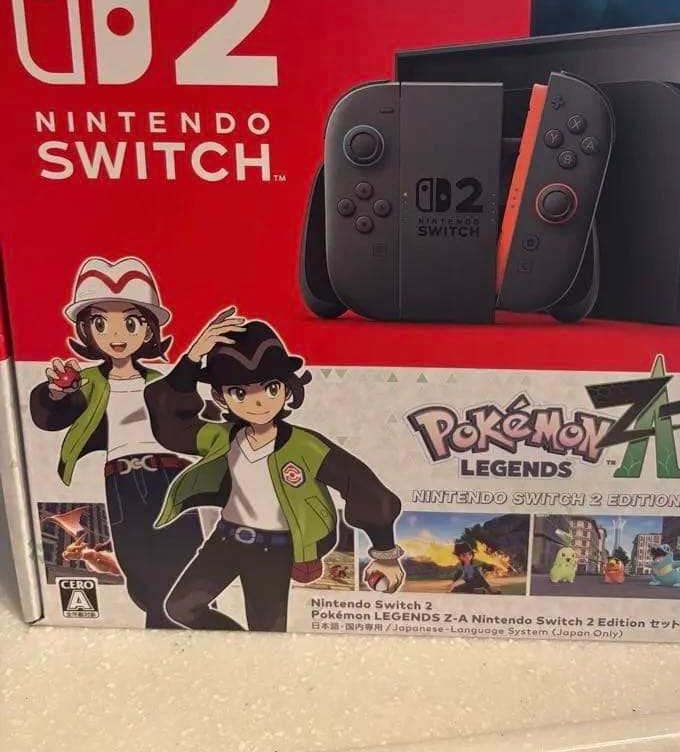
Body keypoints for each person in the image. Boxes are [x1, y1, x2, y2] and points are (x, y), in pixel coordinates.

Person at [145, 313, 405, 631]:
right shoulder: (222, 437)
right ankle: (238, 647)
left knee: (267, 632)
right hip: (225, 539)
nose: (257, 402)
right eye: (240, 392)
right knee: (181, 608)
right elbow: (172, 423)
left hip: (274, 549)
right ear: (221, 396)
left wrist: (385, 553)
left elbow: (362, 486)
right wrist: (192, 358)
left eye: (270, 388)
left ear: (286, 387)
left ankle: (256, 653)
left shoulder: (304, 446)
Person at [29, 256, 207, 627]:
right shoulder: (89, 382)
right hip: (121, 481)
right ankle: (163, 625)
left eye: (130, 322)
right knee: (138, 570)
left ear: (148, 330)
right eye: (100, 323)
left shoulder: (161, 380)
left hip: (169, 475)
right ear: (86, 331)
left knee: (185, 560)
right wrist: (58, 393)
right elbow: (50, 416)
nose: (116, 334)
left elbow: (190, 414)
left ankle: (190, 623)